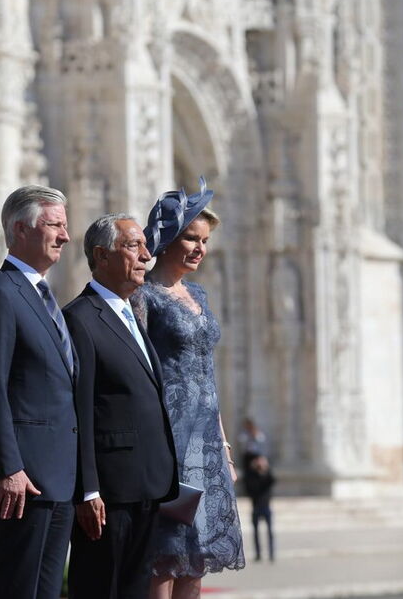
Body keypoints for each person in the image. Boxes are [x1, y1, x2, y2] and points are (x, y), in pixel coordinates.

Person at [0, 185, 78, 599]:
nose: (65, 236)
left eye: (65, 226)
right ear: (20, 229)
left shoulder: (43, 297)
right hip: (22, 480)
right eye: (55, 225)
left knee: (45, 592)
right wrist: (8, 468)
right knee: (17, 589)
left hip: (58, 478)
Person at [134, 179, 245, 599]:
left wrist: (223, 442)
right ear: (167, 238)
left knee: (195, 557)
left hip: (205, 443)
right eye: (191, 238)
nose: (200, 248)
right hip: (170, 439)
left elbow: (206, 372)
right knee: (165, 555)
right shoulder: (144, 296)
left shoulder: (197, 294)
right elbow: (141, 371)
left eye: (205, 240)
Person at [63, 213, 179, 599]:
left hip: (147, 482)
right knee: (101, 587)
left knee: (133, 590)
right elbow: (78, 410)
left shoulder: (132, 313)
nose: (147, 255)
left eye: (145, 246)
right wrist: (88, 490)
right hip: (110, 491)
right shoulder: (80, 318)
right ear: (102, 255)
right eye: (134, 246)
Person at [244, 454, 276, 562]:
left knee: (270, 532)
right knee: (256, 532)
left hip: (266, 507)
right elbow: (250, 488)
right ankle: (258, 554)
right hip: (256, 507)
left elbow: (272, 480)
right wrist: (253, 470)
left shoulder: (267, 474)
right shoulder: (251, 476)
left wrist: (265, 469)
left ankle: (271, 553)